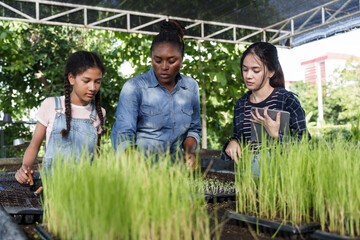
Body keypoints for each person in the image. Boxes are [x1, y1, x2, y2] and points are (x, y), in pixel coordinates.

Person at [111, 20, 201, 167]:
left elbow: (194, 128)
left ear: (182, 60)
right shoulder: (134, 88)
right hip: (141, 171)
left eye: (171, 61)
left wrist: (189, 152)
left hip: (176, 171)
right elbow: (123, 134)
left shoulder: (191, 87)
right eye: (157, 60)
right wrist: (135, 161)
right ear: (151, 58)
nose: (164, 67)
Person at [15, 51, 106, 184]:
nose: (93, 87)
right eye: (86, 81)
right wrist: (24, 168)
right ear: (71, 78)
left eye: (97, 82)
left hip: (85, 187)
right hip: (51, 185)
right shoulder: (51, 105)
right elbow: (34, 146)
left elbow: (96, 154)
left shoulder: (99, 113)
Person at [223, 42, 310, 168]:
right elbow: (238, 138)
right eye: (245, 69)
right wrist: (232, 142)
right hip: (248, 178)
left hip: (281, 178)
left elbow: (305, 144)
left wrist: (276, 134)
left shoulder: (287, 100)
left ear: (271, 72)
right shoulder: (240, 105)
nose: (248, 76)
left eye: (255, 70)